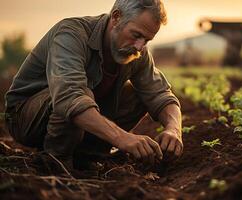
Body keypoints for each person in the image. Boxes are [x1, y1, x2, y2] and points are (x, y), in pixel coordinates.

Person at [4, 0, 183, 169]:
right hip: (25, 117)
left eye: (147, 40)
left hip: (76, 113)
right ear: (116, 17)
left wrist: (174, 130)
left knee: (138, 95)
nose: (139, 46)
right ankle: (56, 162)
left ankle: (88, 155)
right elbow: (69, 97)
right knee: (79, 96)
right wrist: (123, 138)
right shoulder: (71, 34)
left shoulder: (137, 52)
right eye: (136, 35)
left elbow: (161, 94)